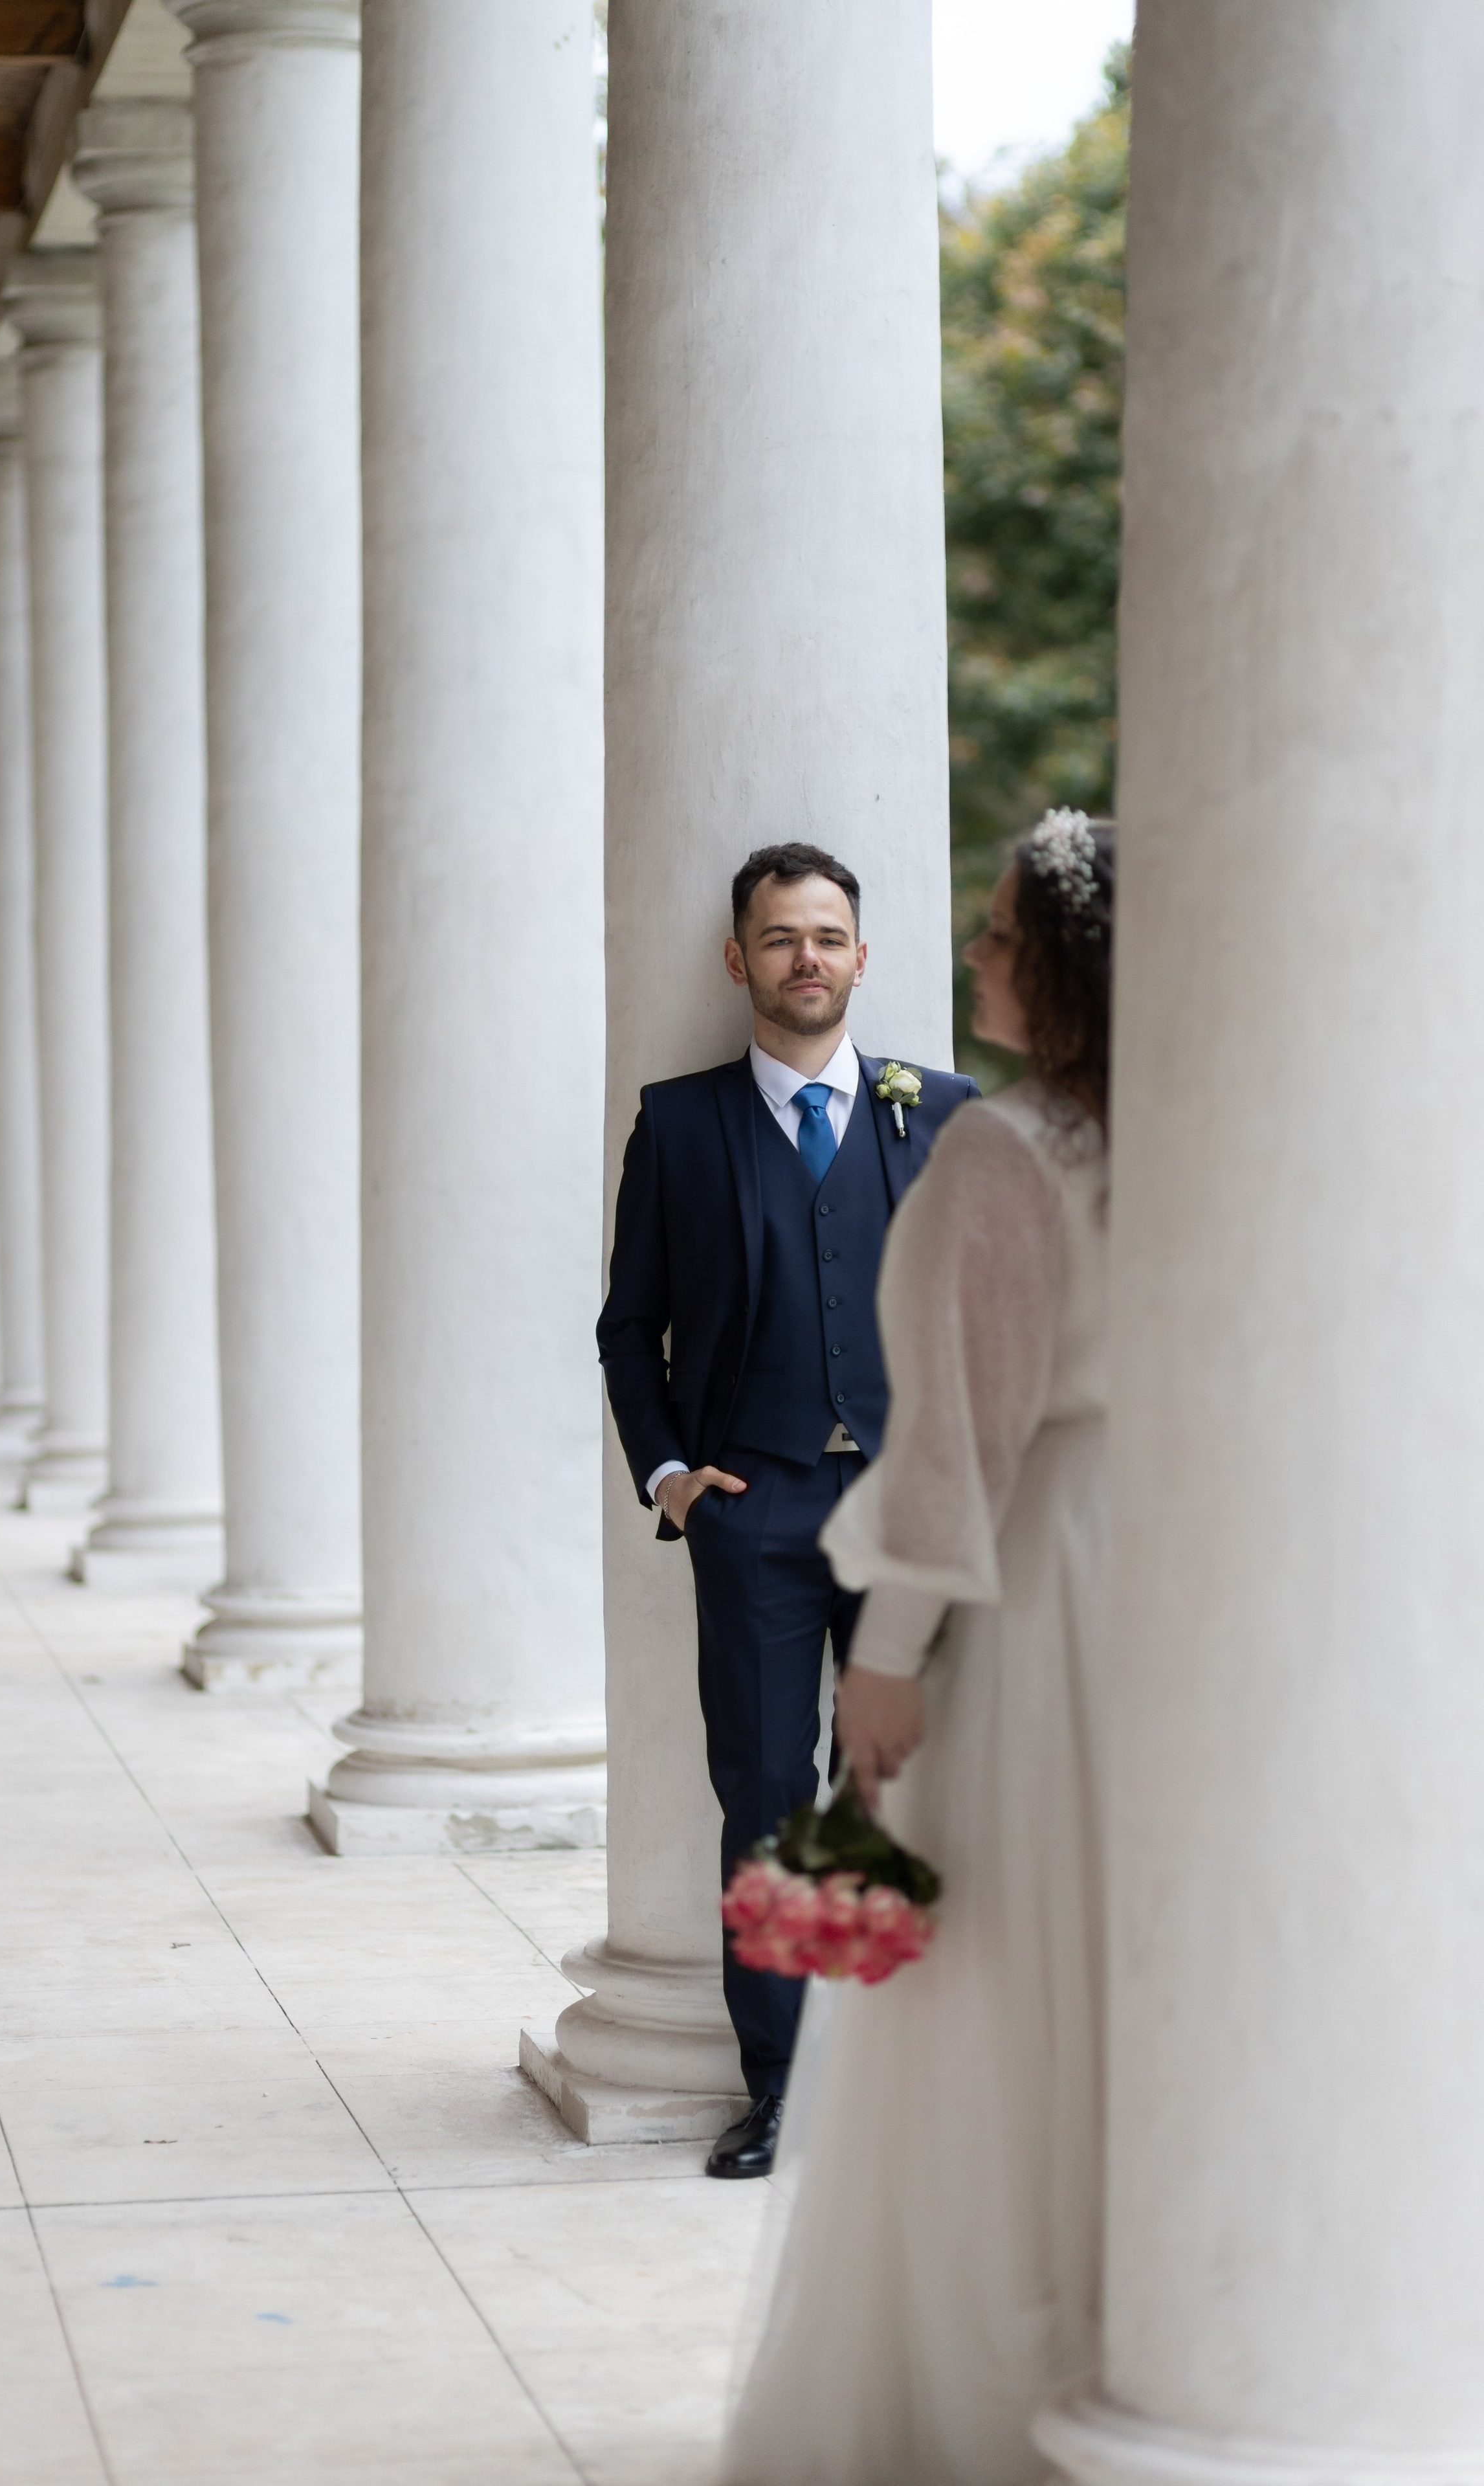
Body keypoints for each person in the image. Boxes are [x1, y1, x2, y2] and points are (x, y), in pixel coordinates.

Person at [724, 810, 1115, 2485]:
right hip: (1167, 1574)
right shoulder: (1198, 1129)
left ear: (1064, 963)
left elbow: (958, 1429)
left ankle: (991, 2375)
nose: (975, 953)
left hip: (1036, 1581)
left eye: (1001, 930)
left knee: (997, 1971)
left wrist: (886, 1649)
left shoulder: (1000, 1150)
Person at [599, 841, 979, 2178]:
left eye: (825, 935)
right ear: (738, 959)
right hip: (750, 1512)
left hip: (906, 1514)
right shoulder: (680, 1124)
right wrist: (672, 1479)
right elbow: (628, 1328)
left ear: (861, 956)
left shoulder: (940, 1113)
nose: (804, 957)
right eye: (778, 937)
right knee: (765, 1797)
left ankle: (915, 2089)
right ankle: (786, 2091)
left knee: (913, 1792)